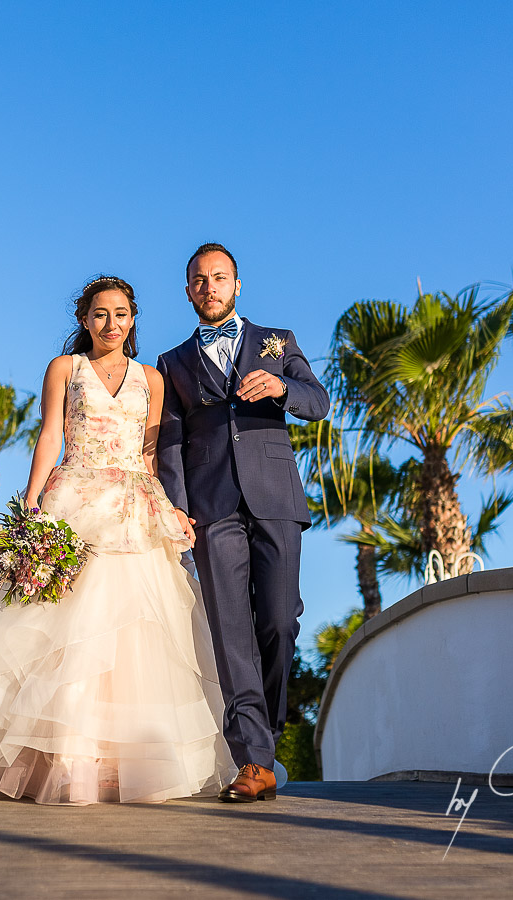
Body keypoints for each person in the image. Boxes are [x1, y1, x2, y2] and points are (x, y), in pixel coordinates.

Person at [0, 275, 236, 805]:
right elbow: (50, 434)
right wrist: (31, 503)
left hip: (131, 511)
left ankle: (118, 762)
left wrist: (168, 508)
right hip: (73, 502)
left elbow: (147, 455)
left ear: (133, 319)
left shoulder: (152, 378)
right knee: (56, 635)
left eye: (121, 314)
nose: (111, 324)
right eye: (100, 314)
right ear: (84, 320)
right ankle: (63, 759)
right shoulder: (65, 369)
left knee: (132, 639)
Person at [156, 243, 330, 802]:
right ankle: (254, 758)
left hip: (276, 496)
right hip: (211, 508)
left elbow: (319, 400)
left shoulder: (277, 342)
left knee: (279, 623)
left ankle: (268, 732)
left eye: (219, 278)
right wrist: (178, 505)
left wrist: (282, 389)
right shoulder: (173, 362)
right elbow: (170, 441)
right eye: (199, 280)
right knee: (231, 630)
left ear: (236, 286)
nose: (210, 287)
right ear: (188, 291)